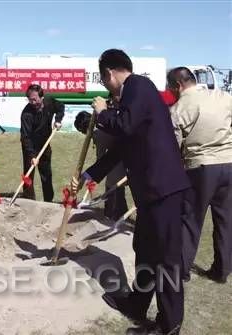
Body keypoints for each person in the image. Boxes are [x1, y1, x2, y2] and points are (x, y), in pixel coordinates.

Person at [78, 49, 190, 335]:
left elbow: (123, 126)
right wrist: (90, 174)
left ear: (110, 73)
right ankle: (137, 304)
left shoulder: (138, 85)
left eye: (105, 81)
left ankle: (169, 325)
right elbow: (122, 146)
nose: (106, 88)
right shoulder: (133, 98)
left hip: (163, 188)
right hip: (150, 192)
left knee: (166, 258)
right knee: (146, 251)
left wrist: (103, 112)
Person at [168, 66, 232, 284]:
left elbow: (173, 145)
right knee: (226, 220)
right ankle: (222, 269)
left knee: (191, 219)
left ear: (178, 85)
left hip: (201, 166)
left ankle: (182, 269)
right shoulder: (223, 96)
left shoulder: (180, 107)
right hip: (229, 163)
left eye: (171, 88)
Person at [74, 106, 128, 220]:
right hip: (118, 155)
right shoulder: (101, 123)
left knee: (113, 183)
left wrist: (86, 177)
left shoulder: (98, 133)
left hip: (123, 157)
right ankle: (116, 212)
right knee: (113, 183)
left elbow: (102, 159)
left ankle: (114, 214)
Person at [20, 84, 63, 202]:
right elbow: (25, 137)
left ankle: (49, 202)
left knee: (46, 175)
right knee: (28, 176)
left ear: (41, 97)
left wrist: (58, 120)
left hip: (45, 144)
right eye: (30, 99)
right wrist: (32, 156)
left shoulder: (49, 102)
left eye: (34, 99)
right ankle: (29, 201)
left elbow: (60, 107)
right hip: (30, 147)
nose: (32, 102)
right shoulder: (26, 114)